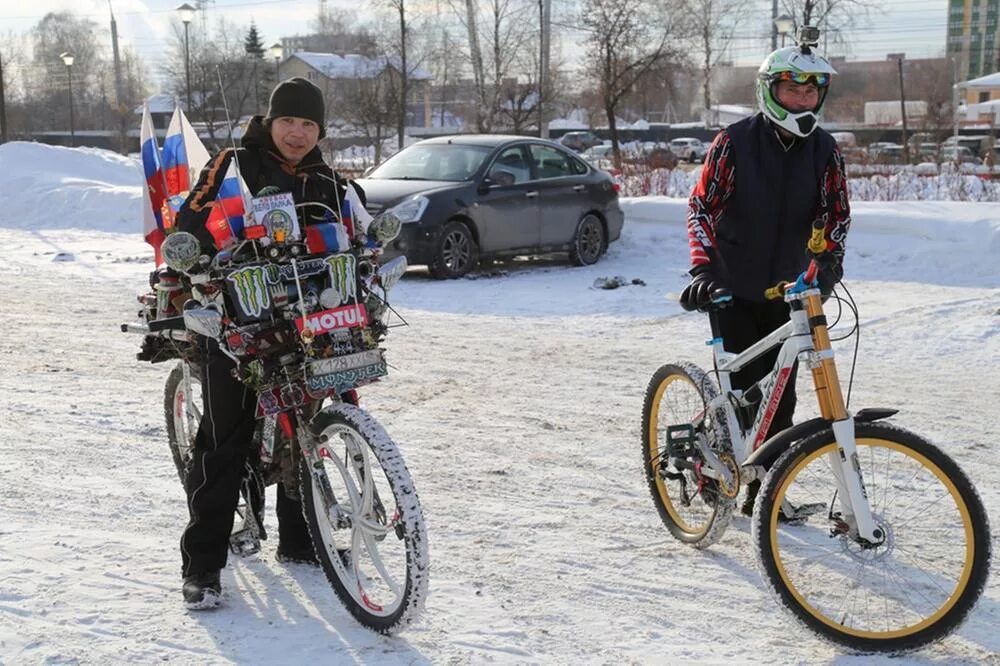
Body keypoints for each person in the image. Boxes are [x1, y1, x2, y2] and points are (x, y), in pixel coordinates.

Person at [174, 77, 366, 609]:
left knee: (303, 425)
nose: (298, 133)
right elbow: (190, 217)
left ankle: (302, 539)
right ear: (271, 121)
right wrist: (203, 253)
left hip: (303, 320)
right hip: (236, 318)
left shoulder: (329, 180)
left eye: (309, 124)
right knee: (224, 440)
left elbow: (356, 233)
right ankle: (204, 566)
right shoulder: (232, 164)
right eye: (289, 122)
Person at [679, 36, 851, 516]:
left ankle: (766, 497)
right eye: (792, 89)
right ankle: (713, 468)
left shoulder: (825, 152)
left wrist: (828, 266)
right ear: (770, 91)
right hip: (730, 289)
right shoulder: (733, 143)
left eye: (812, 91)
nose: (802, 99)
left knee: (782, 400)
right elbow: (701, 208)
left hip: (789, 292)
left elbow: (835, 217)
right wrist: (704, 271)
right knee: (740, 398)